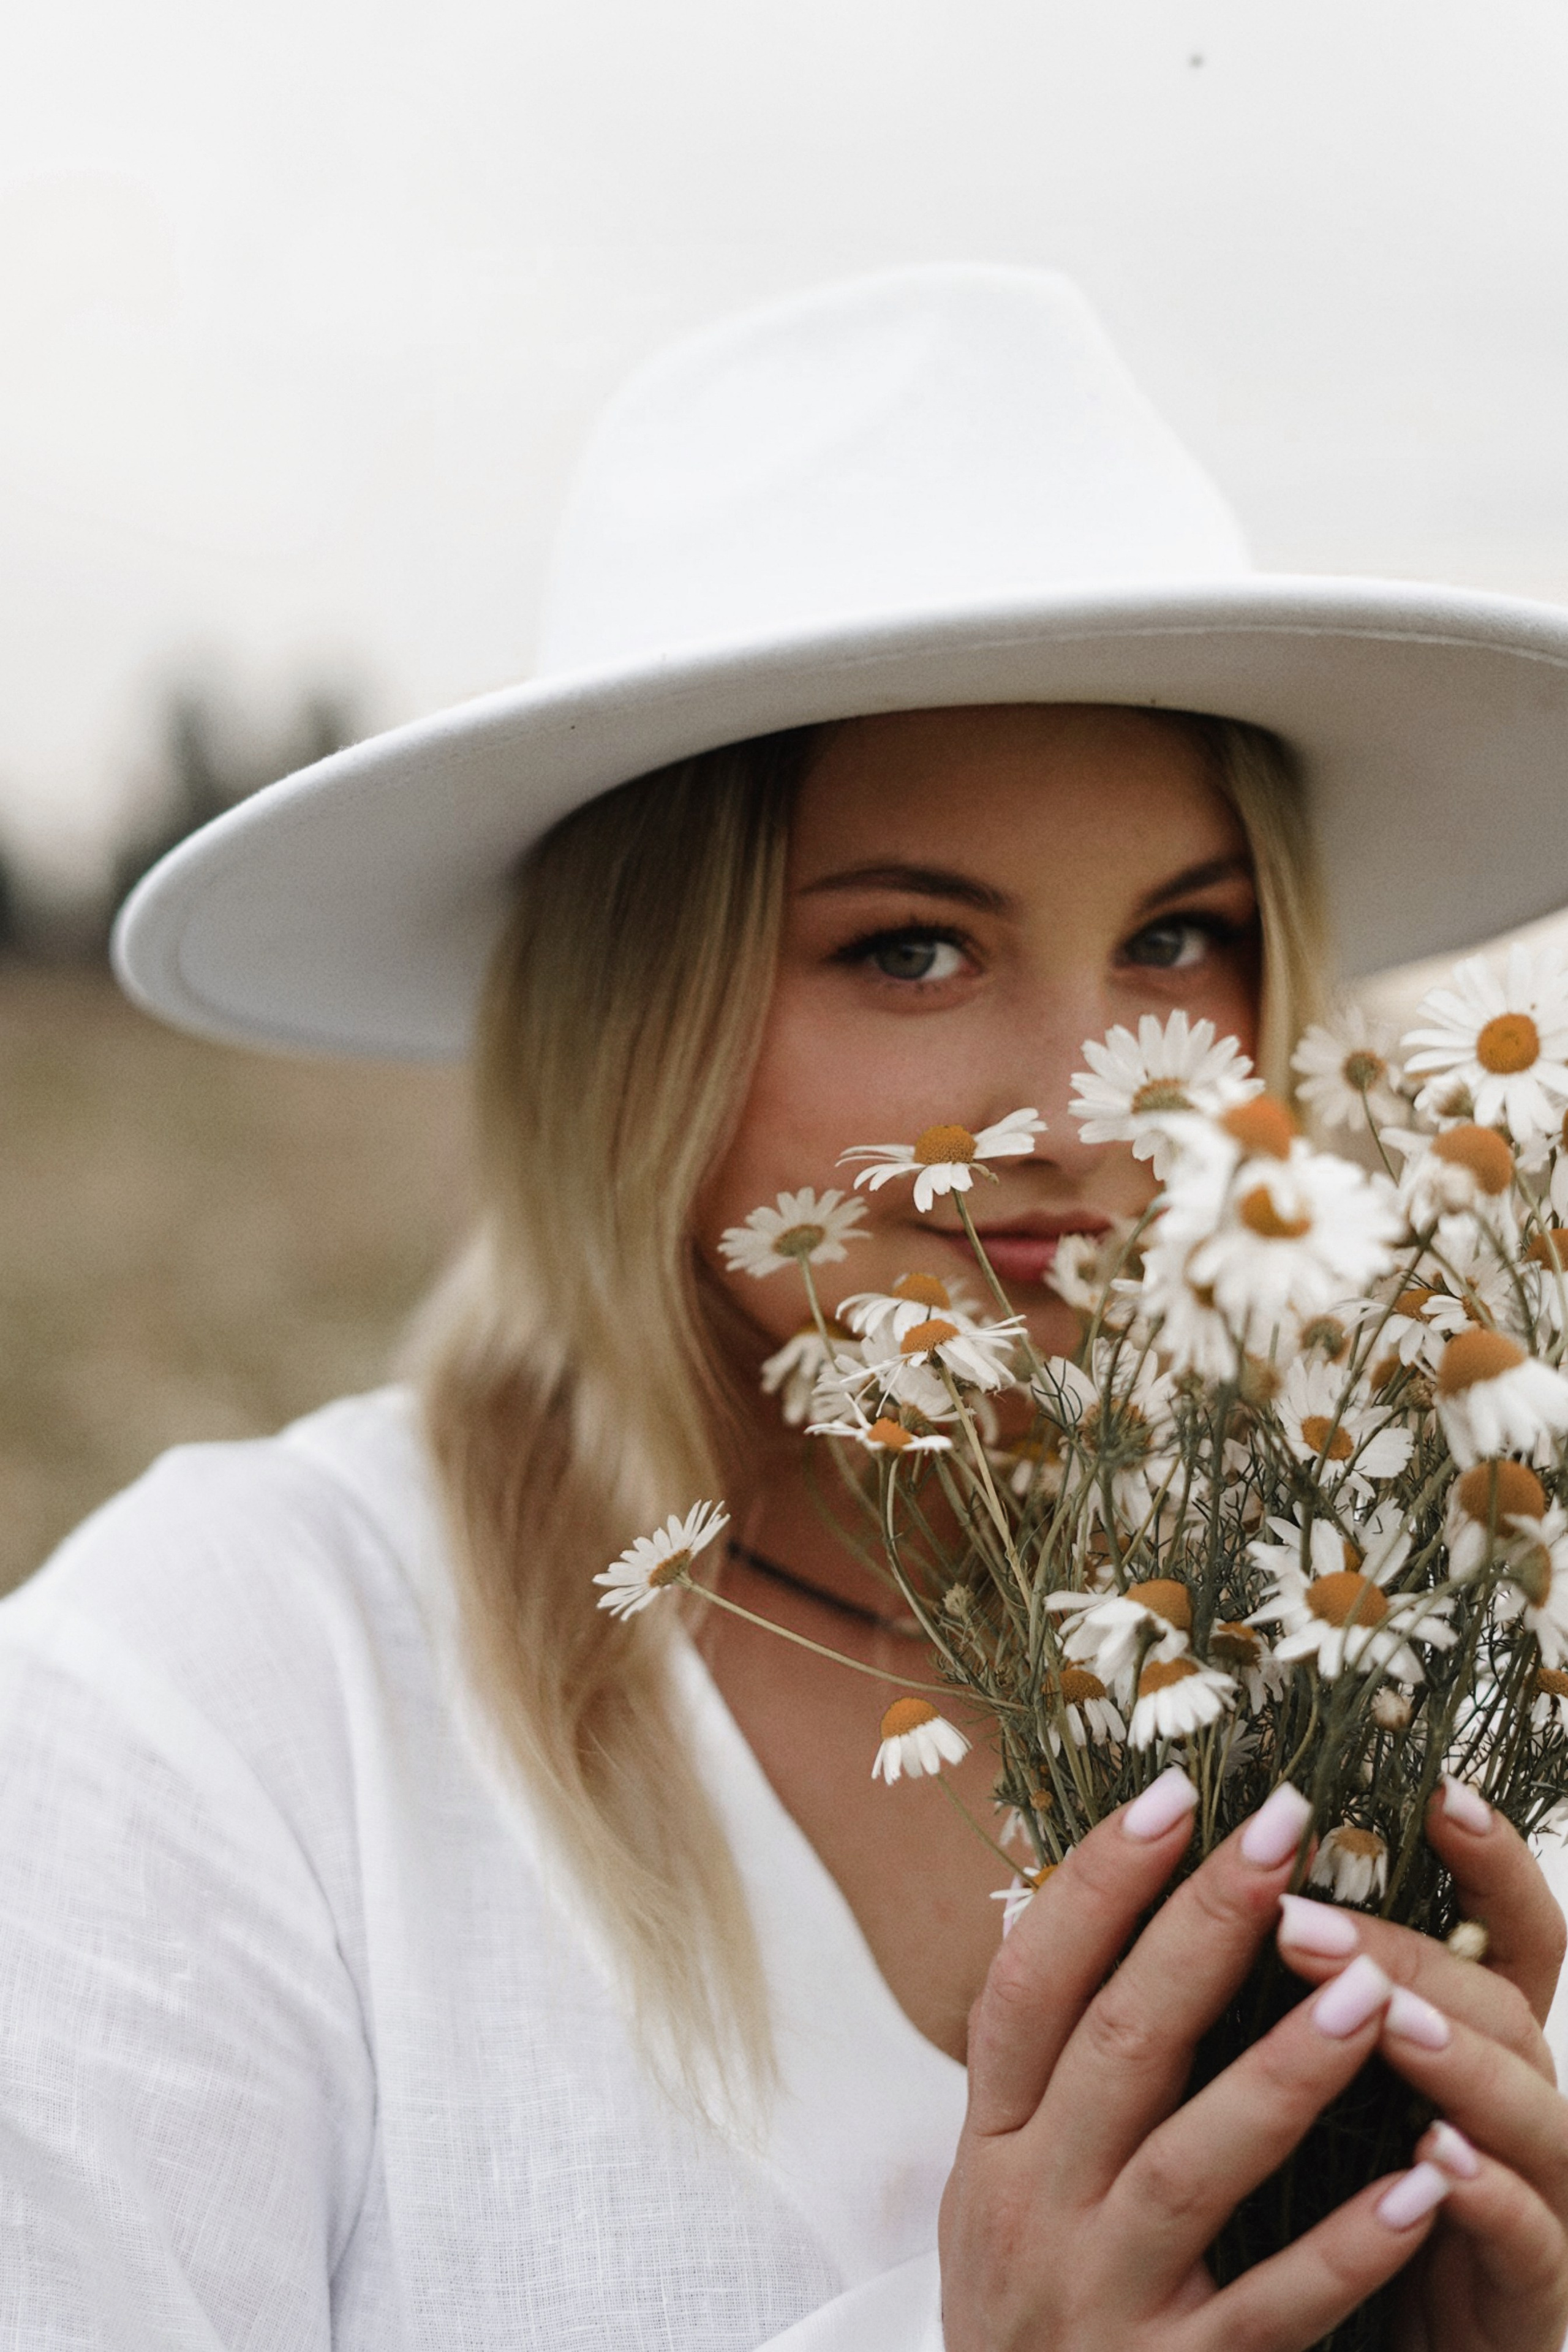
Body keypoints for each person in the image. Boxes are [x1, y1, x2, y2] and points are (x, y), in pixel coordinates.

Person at [6, 265, 1568, 2350]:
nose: (1087, 1110)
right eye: (911, 950)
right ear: (633, 1022)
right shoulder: (219, 1699)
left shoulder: (1435, 1663)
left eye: (1181, 938)